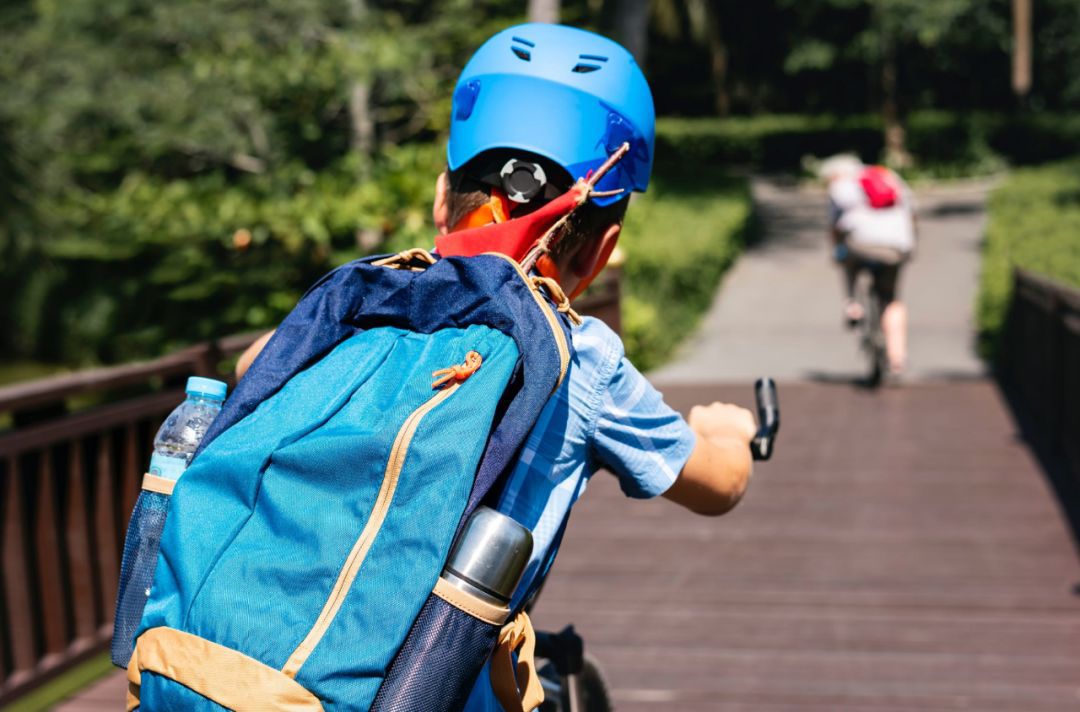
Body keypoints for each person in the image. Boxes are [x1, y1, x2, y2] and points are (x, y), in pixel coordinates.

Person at [236, 23, 756, 710]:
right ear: (604, 249)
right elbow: (717, 486)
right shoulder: (586, 360)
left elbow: (253, 367)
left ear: (438, 198)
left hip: (249, 666)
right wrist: (732, 435)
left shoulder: (367, 299)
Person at [819, 154, 917, 378]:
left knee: (847, 260)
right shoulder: (888, 175)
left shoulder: (840, 186)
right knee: (891, 299)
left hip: (861, 244)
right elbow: (911, 213)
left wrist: (836, 252)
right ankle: (897, 358)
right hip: (896, 246)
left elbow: (834, 227)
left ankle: (853, 304)